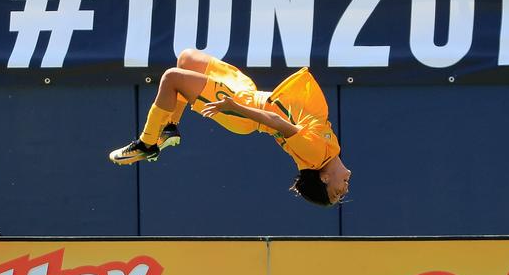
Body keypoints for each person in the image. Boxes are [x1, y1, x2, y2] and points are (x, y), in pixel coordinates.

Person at [109, 49, 351, 206]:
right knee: (187, 60)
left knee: (172, 78)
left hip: (243, 109)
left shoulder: (316, 156)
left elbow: (276, 122)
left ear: (325, 177)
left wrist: (234, 106)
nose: (344, 190)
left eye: (336, 193)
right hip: (248, 94)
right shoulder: (330, 150)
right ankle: (170, 127)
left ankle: (146, 143)